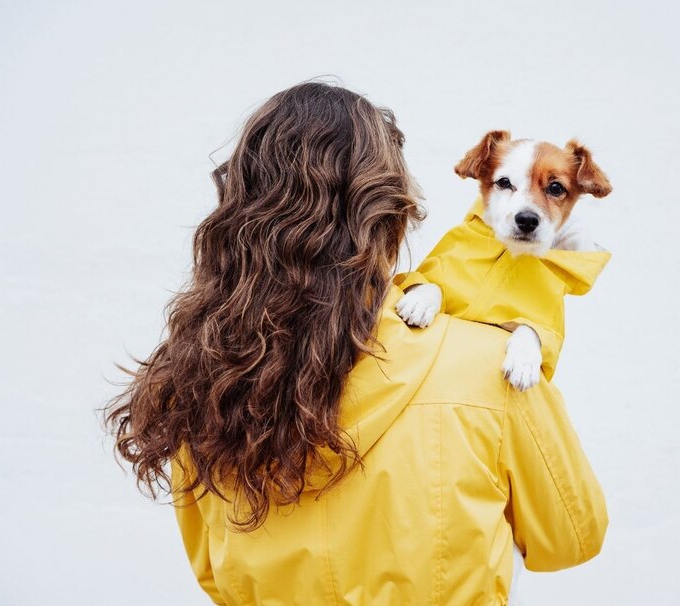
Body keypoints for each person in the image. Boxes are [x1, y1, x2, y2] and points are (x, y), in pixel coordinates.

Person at [102, 81, 608, 605]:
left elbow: (208, 566)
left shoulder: (205, 375)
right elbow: (571, 538)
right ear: (390, 214)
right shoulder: (491, 366)